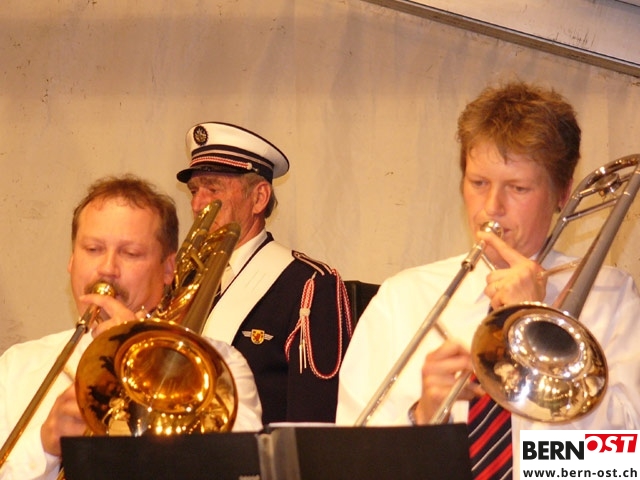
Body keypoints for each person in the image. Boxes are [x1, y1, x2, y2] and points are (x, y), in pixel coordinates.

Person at [335, 82, 640, 478]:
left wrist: (536, 329)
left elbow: (618, 464)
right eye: (478, 183)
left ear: (563, 193)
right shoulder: (402, 299)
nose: (491, 207)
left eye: (518, 188)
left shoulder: (610, 295)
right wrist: (423, 419)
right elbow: (350, 464)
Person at [0, 175, 263, 480]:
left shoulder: (219, 367)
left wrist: (140, 356)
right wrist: (44, 447)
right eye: (93, 249)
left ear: (168, 269)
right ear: (71, 261)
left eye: (130, 253)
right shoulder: (18, 365)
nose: (107, 269)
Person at [176, 122, 353, 425]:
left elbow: (313, 421)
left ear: (259, 197)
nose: (197, 203)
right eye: (194, 191)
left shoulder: (309, 284)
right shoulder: (183, 279)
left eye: (213, 189)